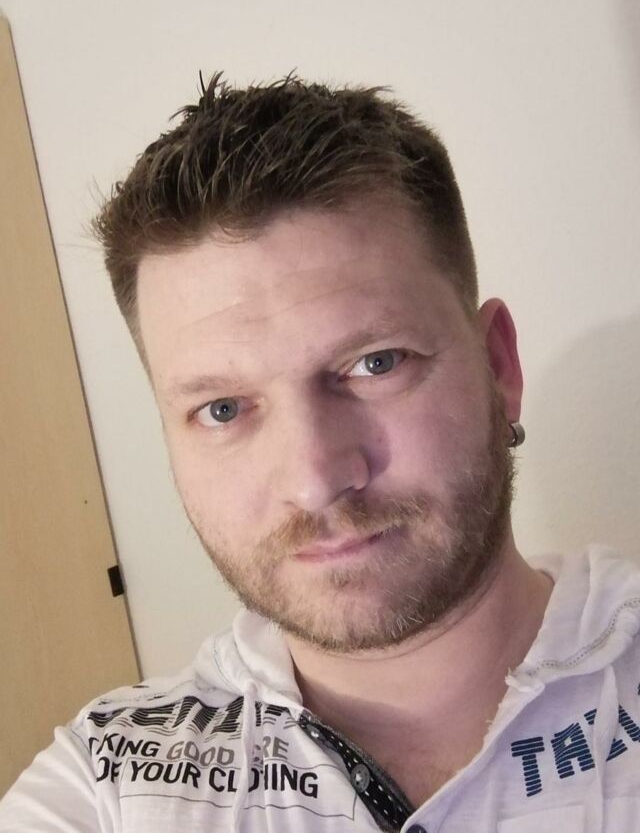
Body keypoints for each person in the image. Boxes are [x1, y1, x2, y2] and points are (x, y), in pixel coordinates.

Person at [1, 72, 639, 833]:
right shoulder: (109, 785)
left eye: (376, 363)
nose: (314, 479)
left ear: (498, 367)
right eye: (223, 409)